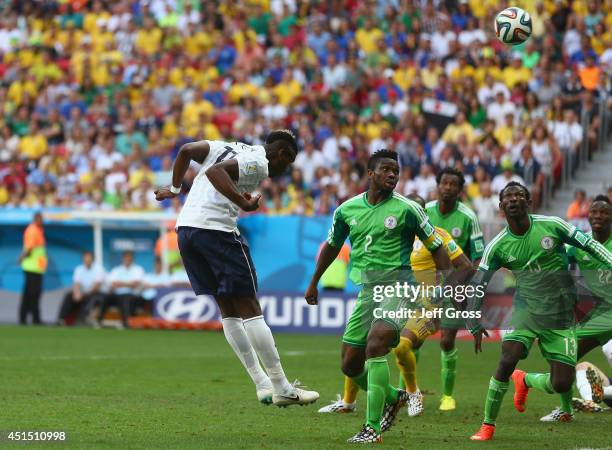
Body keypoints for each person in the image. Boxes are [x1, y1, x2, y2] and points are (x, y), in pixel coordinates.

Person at [154, 129, 319, 407]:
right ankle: (282, 387)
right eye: (287, 164)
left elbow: (185, 151)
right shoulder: (260, 161)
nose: (284, 170)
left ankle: (262, 384)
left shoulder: (227, 146)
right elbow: (215, 172)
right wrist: (243, 202)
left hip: (186, 230)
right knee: (250, 309)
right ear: (282, 154)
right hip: (216, 230)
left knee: (228, 310)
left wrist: (174, 189)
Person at [305, 150, 452, 443]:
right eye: (386, 169)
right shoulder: (346, 210)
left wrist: (445, 285)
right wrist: (314, 282)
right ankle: (392, 396)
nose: (393, 175)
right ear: (370, 174)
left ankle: (372, 428)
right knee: (349, 363)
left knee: (376, 344)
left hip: (399, 286)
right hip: (368, 290)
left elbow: (436, 247)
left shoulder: (409, 209)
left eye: (396, 171)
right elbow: (332, 246)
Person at [465, 182, 612, 441]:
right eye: (508, 197)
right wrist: (472, 318)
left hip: (560, 315)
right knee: (508, 356)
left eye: (519, 195)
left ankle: (526, 381)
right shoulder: (497, 245)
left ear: (528, 202)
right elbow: (479, 282)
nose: (513, 200)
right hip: (527, 310)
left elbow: (588, 244)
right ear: (501, 207)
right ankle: (487, 425)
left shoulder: (552, 225)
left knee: (562, 384)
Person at [317, 193, 474, 419]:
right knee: (358, 346)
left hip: (426, 306)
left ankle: (412, 394)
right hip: (392, 297)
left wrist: (446, 290)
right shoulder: (388, 235)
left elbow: (466, 267)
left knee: (401, 347)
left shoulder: (438, 236)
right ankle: (348, 401)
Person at [541, 195, 612, 417]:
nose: (598, 216)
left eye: (604, 212)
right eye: (594, 212)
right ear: (588, 216)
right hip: (601, 313)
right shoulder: (580, 245)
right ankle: (567, 408)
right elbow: (558, 263)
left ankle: (587, 399)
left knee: (567, 354)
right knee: (567, 355)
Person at [425, 167, 485, 411]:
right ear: (438, 185)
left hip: (453, 286)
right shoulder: (424, 212)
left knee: (447, 341)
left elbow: (478, 258)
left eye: (453, 184)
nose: (448, 187)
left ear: (460, 190)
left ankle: (447, 396)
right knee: (410, 340)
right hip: (424, 284)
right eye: (444, 183)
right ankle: (409, 392)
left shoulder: (468, 216)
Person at [96, 251, 145, 329]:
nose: (127, 259)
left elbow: (135, 284)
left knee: (126, 298)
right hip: (118, 295)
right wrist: (127, 284)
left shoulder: (138, 269)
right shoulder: (116, 269)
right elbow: (112, 284)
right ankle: (99, 321)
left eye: (129, 258)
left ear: (132, 259)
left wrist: (120, 283)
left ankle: (126, 322)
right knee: (106, 297)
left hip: (132, 296)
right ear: (123, 258)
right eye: (126, 257)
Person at [57, 250, 106, 325]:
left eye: (88, 257)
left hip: (95, 292)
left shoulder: (98, 268)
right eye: (85, 257)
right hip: (82, 293)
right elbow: (76, 283)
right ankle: (61, 319)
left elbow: (97, 285)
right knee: (69, 295)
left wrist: (84, 294)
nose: (87, 259)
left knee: (90, 297)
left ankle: (81, 319)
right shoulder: (79, 269)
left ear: (92, 258)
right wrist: (77, 293)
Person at [18, 211, 47, 325]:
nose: (42, 221)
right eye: (40, 219)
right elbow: (28, 248)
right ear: (36, 219)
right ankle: (35, 319)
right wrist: (21, 258)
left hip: (36, 268)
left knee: (29, 293)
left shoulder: (38, 230)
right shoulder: (33, 230)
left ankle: (23, 318)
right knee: (34, 294)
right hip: (31, 267)